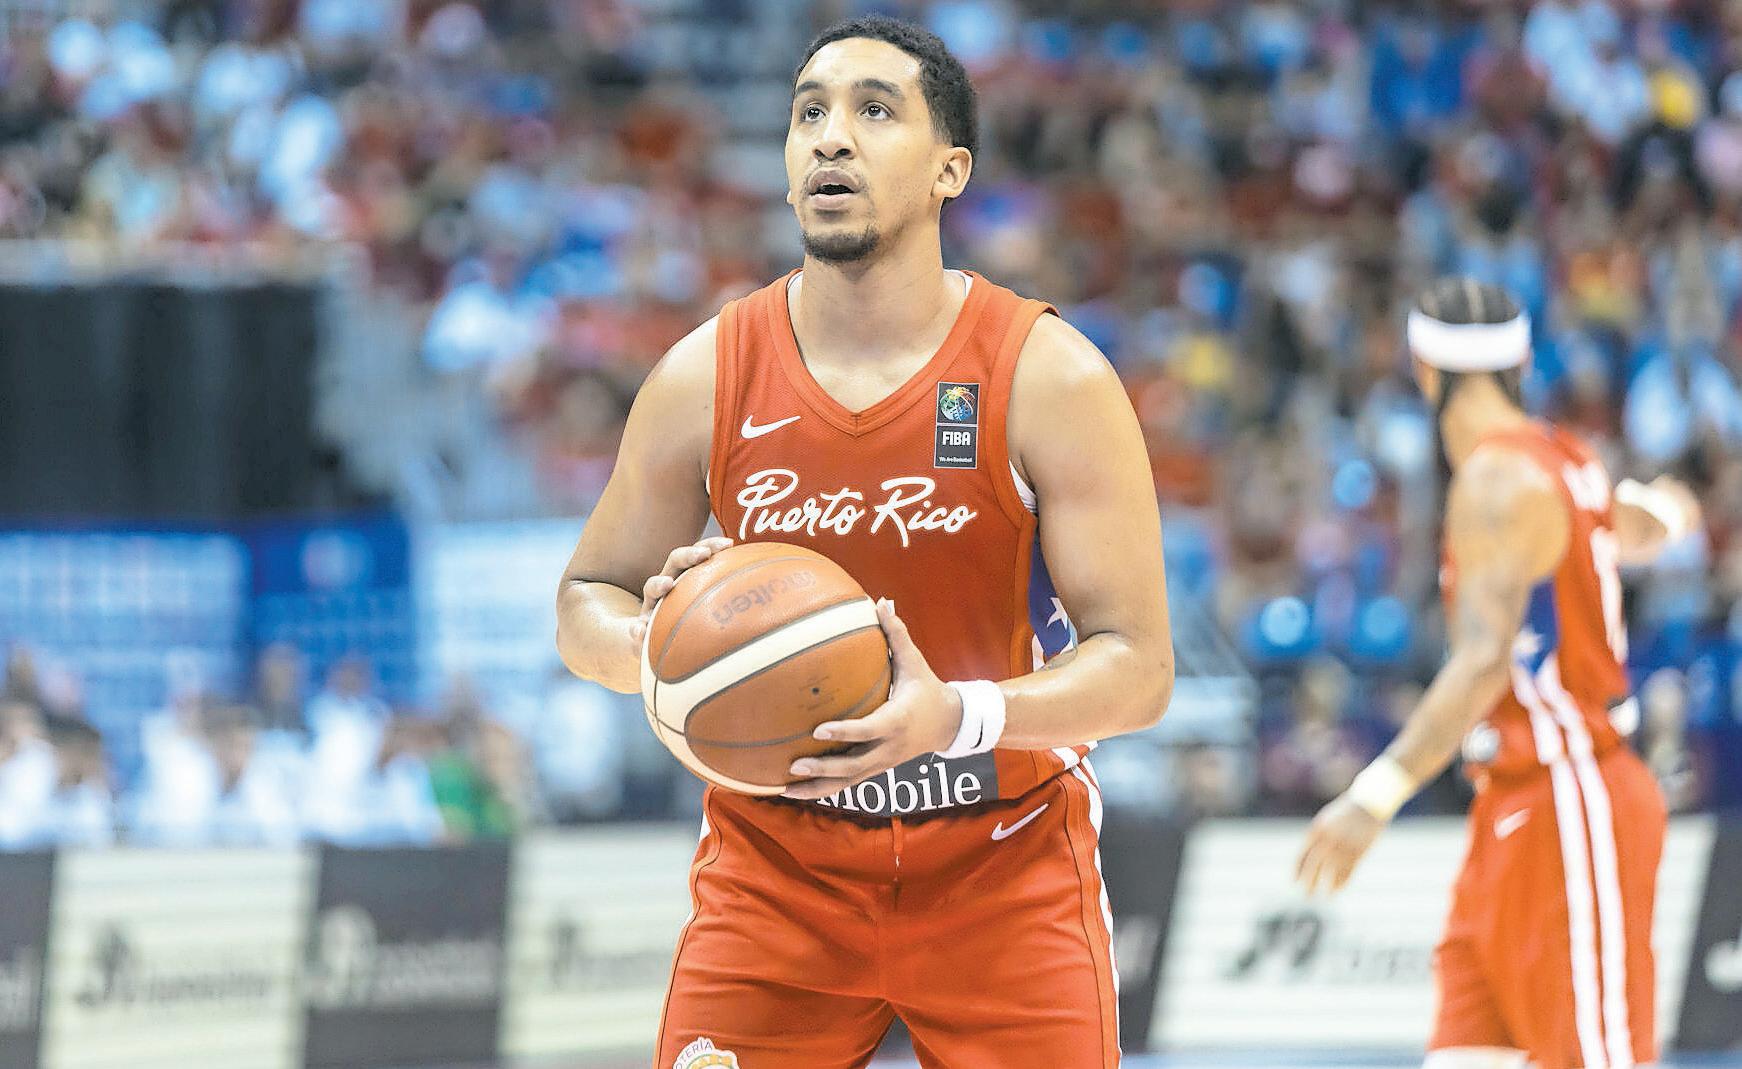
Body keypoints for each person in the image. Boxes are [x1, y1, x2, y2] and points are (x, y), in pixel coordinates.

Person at [555, 16, 1173, 1068]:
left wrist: (956, 717)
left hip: (1004, 866)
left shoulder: (1049, 375)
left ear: (948, 171)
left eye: (874, 110)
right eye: (809, 113)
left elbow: (1140, 670)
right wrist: (651, 642)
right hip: (775, 876)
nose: (830, 137)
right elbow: (585, 599)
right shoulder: (705, 374)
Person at [1296, 279, 1701, 1069]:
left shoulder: (1492, 481)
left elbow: (1484, 660)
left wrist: (1373, 794)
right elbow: (1643, 524)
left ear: (1425, 370)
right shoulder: (1570, 458)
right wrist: (1675, 508)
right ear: (1520, 362)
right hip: (1512, 804)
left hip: (1568, 791)